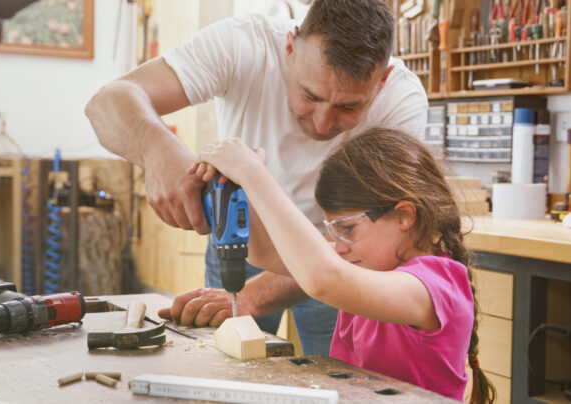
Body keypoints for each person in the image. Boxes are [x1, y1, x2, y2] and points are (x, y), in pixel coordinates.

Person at [85, 0, 428, 356]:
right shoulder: (244, 44)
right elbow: (107, 102)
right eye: (310, 95)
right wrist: (158, 152)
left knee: (337, 378)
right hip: (239, 239)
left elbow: (365, 252)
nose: (323, 123)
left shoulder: (402, 102)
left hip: (342, 255)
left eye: (349, 107)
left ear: (382, 80)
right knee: (227, 369)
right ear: (290, 48)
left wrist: (254, 296)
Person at [189, 127, 495, 403]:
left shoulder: (434, 286)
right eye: (331, 230)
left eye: (347, 228)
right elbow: (265, 252)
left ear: (404, 216)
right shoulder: (370, 263)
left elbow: (323, 278)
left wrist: (254, 174)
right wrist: (241, 182)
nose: (338, 244)